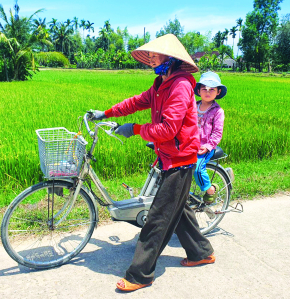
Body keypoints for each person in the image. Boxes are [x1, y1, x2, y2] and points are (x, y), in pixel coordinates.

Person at [91, 34, 215, 292]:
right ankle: (201, 252)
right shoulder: (161, 83)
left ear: (170, 58)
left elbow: (169, 129)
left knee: (157, 218)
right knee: (178, 210)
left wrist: (135, 129)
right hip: (169, 156)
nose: (151, 61)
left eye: (155, 56)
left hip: (181, 160)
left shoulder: (180, 85)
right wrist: (107, 112)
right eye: (150, 56)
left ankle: (140, 274)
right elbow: (137, 101)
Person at [193, 71, 227, 204]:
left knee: (197, 168)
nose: (208, 92)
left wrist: (207, 147)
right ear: (199, 91)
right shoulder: (193, 106)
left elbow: (217, 133)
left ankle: (210, 189)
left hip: (204, 146)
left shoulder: (218, 111)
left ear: (218, 92)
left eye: (212, 89)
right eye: (204, 89)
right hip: (189, 144)